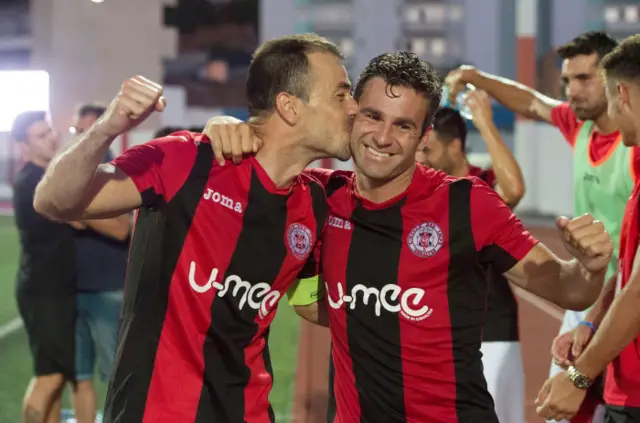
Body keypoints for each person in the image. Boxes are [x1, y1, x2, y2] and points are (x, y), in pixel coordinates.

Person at [204, 50, 613, 422]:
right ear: (351, 113)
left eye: (403, 125)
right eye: (372, 116)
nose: (383, 138)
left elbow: (569, 290)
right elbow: (314, 304)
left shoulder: (467, 204)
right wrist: (221, 125)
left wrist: (591, 268)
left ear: (424, 135)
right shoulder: (319, 196)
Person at [32, 33, 357, 423]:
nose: (353, 108)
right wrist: (107, 128)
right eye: (341, 95)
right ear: (289, 106)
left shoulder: (316, 201)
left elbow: (307, 300)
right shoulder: (188, 160)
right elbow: (53, 201)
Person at [446, 31, 636, 423]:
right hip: (593, 294)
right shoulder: (580, 128)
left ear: (618, 89)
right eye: (567, 81)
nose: (572, 91)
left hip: (623, 296)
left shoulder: (631, 146)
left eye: (584, 79)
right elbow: (532, 102)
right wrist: (475, 76)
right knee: (564, 411)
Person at [536, 34, 640, 423]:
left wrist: (578, 377)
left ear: (623, 94)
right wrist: (591, 322)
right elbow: (628, 275)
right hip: (622, 378)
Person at [415, 92, 526, 423]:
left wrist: (486, 124)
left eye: (428, 150)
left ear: (454, 147)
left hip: (490, 332)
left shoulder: (482, 185)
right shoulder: (425, 189)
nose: (421, 159)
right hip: (438, 336)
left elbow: (514, 190)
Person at [11, 111, 77, 423]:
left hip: (54, 288)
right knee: (49, 375)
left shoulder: (44, 175)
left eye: (50, 130)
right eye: (41, 135)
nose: (51, 137)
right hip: (44, 291)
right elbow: (77, 218)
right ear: (23, 146)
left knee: (59, 374)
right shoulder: (32, 182)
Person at [67, 104, 132, 423]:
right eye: (77, 132)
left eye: (88, 132)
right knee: (78, 376)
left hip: (108, 290)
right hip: (71, 288)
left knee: (115, 378)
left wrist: (74, 210)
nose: (81, 138)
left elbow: (122, 228)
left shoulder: (118, 172)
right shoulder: (69, 173)